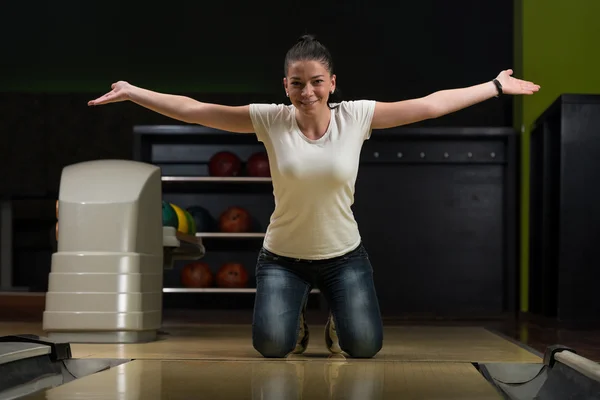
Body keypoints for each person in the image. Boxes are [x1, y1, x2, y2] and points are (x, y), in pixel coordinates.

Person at [88, 34, 540, 359]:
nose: (308, 92)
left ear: (332, 82)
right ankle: (299, 319)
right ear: (285, 85)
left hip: (345, 256)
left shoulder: (357, 117)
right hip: (282, 258)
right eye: (297, 83)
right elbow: (196, 110)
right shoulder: (271, 120)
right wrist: (133, 93)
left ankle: (338, 325)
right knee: (271, 348)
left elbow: (428, 104)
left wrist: (495, 86)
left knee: (364, 349)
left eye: (317, 81)